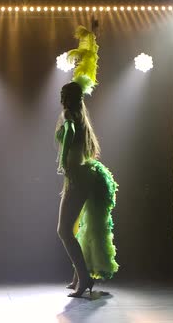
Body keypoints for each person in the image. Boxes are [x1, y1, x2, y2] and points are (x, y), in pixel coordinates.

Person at [55, 26, 119, 298]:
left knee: (63, 230)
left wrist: (62, 160)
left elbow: (68, 134)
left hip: (78, 176)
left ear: (67, 99)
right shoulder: (80, 116)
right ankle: (78, 277)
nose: (60, 100)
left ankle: (83, 279)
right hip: (84, 175)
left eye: (62, 96)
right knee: (74, 227)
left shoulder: (70, 115)